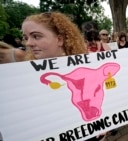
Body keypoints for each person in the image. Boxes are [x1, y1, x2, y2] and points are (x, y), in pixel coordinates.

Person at [21, 12, 108, 141]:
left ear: (60, 40)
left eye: (36, 36)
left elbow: (99, 96)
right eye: (25, 37)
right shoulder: (21, 79)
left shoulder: (82, 69)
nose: (28, 43)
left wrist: (104, 122)